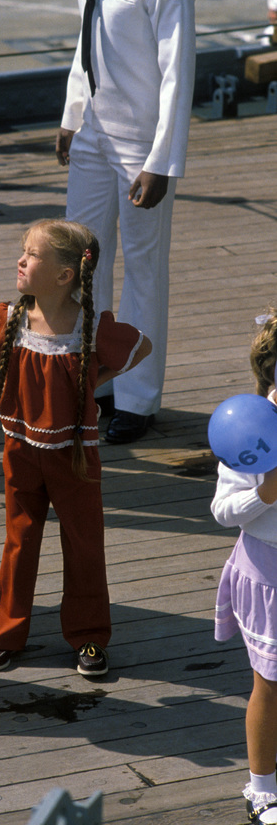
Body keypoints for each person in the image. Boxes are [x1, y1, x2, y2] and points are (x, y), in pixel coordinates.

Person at [55, 0, 196, 445]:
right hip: (94, 137)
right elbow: (83, 44)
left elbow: (177, 76)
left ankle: (137, 396)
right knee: (82, 261)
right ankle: (96, 378)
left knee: (141, 268)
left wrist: (163, 161)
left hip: (142, 146)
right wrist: (71, 116)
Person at [0, 220, 150, 676]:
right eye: (23, 251)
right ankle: (5, 632)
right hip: (21, 449)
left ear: (65, 275)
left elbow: (141, 347)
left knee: (83, 542)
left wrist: (90, 384)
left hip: (74, 453)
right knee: (19, 538)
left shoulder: (88, 328)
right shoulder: (12, 320)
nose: (21, 259)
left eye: (32, 255)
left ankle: (89, 636)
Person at [212, 310, 277, 825]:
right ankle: (262, 789)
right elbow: (223, 510)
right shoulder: (250, 427)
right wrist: (264, 493)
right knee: (270, 684)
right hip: (268, 572)